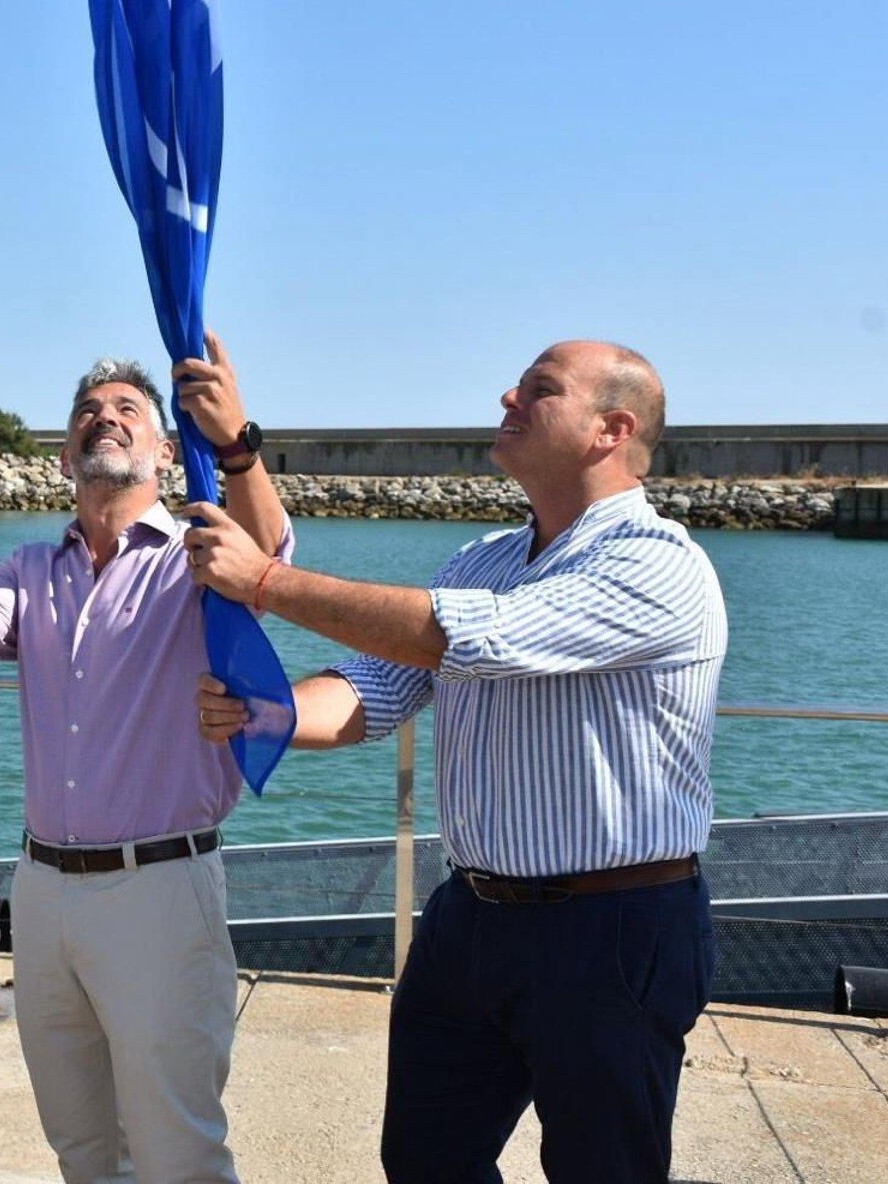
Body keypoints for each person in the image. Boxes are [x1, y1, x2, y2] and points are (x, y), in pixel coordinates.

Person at [190, 341, 726, 1184]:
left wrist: (264, 581)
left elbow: (463, 637)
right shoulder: (482, 560)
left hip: (614, 928)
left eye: (541, 389)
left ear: (611, 429)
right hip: (471, 918)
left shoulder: (660, 564)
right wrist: (269, 713)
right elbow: (383, 685)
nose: (508, 395)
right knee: (425, 1159)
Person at [0, 334, 290, 1184]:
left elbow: (268, 561)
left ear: (163, 451)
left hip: (160, 886)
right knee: (81, 1147)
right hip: (41, 890)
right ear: (66, 456)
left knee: (179, 1152)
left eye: (126, 410)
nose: (103, 417)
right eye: (87, 411)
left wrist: (235, 445)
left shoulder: (197, 556)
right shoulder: (34, 568)